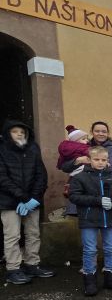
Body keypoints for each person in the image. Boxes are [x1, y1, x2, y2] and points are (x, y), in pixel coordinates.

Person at [68, 146, 112, 295]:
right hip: (89, 219)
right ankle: (89, 280)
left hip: (111, 219)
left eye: (104, 159)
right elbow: (74, 196)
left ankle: (111, 278)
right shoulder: (80, 177)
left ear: (108, 160)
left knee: (110, 249)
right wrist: (97, 200)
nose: (100, 162)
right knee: (89, 250)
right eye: (96, 159)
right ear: (89, 160)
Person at [0, 120, 55, 284]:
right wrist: (23, 198)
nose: (19, 134)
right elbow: (2, 178)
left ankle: (32, 264)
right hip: (8, 201)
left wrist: (34, 198)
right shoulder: (2, 149)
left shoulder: (33, 149)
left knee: (33, 233)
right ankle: (13, 269)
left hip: (32, 200)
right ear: (7, 133)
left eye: (22, 132)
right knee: (12, 236)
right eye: (15, 131)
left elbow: (41, 175)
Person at [57, 125, 91, 216]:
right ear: (76, 141)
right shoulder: (82, 148)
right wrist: (78, 160)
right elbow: (65, 166)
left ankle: (73, 209)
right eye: (84, 139)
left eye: (86, 138)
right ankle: (74, 210)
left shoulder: (67, 150)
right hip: (83, 173)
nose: (87, 141)